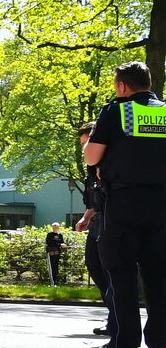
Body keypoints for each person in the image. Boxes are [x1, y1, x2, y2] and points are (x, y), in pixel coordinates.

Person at [82, 60, 166, 348]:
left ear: (122, 86)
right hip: (162, 205)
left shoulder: (116, 110)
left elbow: (92, 156)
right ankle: (160, 343)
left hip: (124, 201)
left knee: (120, 271)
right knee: (159, 275)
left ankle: (124, 341)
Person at [76, 123, 114, 336]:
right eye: (82, 144)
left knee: (112, 270)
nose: (84, 149)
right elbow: (93, 201)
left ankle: (117, 319)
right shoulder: (91, 170)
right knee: (93, 264)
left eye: (87, 143)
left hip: (112, 222)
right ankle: (113, 313)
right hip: (97, 222)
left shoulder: (110, 165)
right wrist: (85, 218)